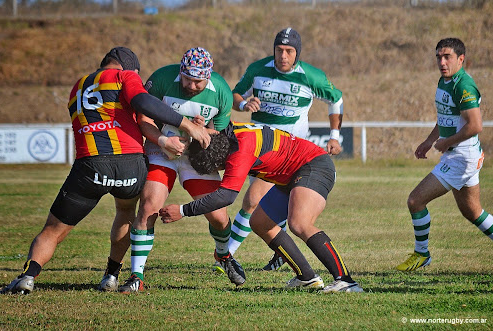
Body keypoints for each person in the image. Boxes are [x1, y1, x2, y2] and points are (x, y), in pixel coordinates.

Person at [0, 46, 210, 295]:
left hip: (89, 166)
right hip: (129, 163)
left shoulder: (77, 86)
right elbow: (142, 102)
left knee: (53, 229)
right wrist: (186, 125)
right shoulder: (125, 77)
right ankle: (111, 275)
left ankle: (28, 277)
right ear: (130, 69)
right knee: (125, 212)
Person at [160, 122, 363, 293]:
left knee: (300, 223)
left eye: (217, 169)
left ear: (219, 163)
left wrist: (183, 210)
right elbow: (210, 130)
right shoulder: (228, 133)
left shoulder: (239, 154)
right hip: (290, 174)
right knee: (260, 222)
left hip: (313, 165)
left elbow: (226, 197)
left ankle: (346, 281)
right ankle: (306, 277)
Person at [108, 47, 245, 293]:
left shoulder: (222, 91)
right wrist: (163, 140)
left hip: (194, 157)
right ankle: (136, 275)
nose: (191, 86)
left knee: (219, 216)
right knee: (149, 206)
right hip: (161, 150)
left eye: (198, 81)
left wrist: (202, 132)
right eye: (187, 79)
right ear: (180, 72)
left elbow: (219, 136)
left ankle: (224, 256)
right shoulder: (161, 79)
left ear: (209, 77)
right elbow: (144, 120)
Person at [227, 27, 345, 271]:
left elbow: (336, 99)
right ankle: (281, 254)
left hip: (287, 153)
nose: (283, 55)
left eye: (289, 51)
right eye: (279, 50)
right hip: (255, 146)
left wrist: (335, 135)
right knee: (262, 208)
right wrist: (243, 103)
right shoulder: (258, 70)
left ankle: (225, 256)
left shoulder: (311, 76)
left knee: (252, 201)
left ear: (297, 53)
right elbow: (234, 95)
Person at [396, 38, 493, 272]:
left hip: (462, 158)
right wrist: (430, 141)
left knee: (415, 200)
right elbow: (445, 117)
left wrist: (446, 143)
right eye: (439, 57)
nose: (442, 62)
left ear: (461, 59)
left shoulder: (464, 85)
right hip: (461, 155)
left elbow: (476, 125)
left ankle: (422, 254)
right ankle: (422, 255)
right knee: (473, 212)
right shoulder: (445, 81)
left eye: (447, 57)